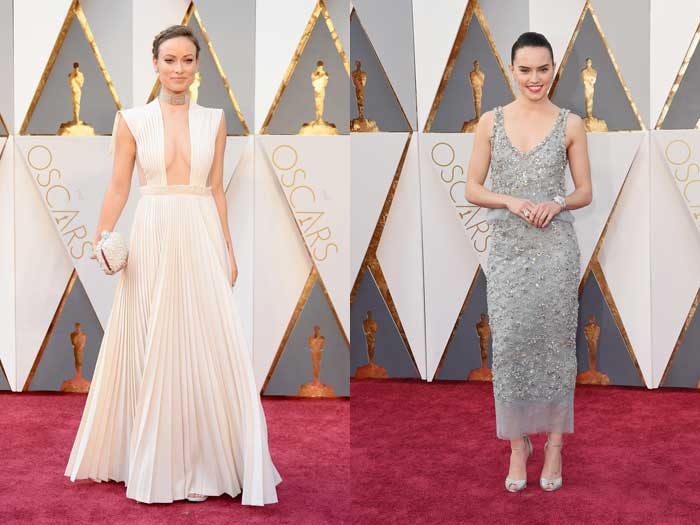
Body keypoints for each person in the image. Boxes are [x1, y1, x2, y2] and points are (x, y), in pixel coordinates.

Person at [64, 25, 281, 505]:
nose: (178, 69)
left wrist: (229, 249)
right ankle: (150, 459)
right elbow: (119, 186)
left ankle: (210, 459)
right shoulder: (132, 120)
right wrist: (101, 239)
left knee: (208, 339)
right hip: (154, 231)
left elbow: (217, 189)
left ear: (198, 64)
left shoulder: (215, 120)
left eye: (186, 60)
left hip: (201, 230)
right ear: (155, 64)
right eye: (169, 60)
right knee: (151, 336)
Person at [465, 32, 592, 492]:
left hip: (555, 251)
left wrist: (558, 202)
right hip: (509, 253)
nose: (534, 78)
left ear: (553, 69)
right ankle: (518, 448)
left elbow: (585, 191)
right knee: (510, 347)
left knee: (557, 348)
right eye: (525, 70)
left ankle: (554, 446)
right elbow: (472, 188)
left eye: (543, 69)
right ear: (511, 70)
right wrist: (510, 200)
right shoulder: (490, 122)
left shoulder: (571, 124)